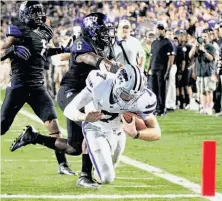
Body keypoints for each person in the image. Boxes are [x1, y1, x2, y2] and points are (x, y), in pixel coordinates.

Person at [11, 12, 120, 188]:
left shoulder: (107, 46)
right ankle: (85, 176)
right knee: (90, 127)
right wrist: (103, 63)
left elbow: (112, 66)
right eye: (103, 30)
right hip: (70, 92)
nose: (107, 34)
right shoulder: (82, 42)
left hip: (87, 95)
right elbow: (88, 58)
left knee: (74, 148)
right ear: (92, 30)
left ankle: (33, 137)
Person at [10, 64, 161, 185]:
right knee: (107, 178)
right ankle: (86, 173)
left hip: (118, 131)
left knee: (105, 172)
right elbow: (69, 110)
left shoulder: (144, 98)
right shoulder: (100, 84)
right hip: (95, 127)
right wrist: (84, 117)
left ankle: (95, 165)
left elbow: (156, 132)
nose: (130, 100)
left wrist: (136, 134)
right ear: (117, 85)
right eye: (126, 95)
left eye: (134, 96)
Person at [0, 1, 75, 175]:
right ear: (24, 13)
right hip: (18, 85)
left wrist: (62, 49)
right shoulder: (16, 28)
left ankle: (62, 165)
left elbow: (41, 50)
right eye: (34, 12)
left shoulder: (45, 30)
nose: (38, 16)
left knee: (54, 126)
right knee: (2, 127)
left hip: (37, 86)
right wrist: (12, 50)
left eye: (39, 12)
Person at [148, 24, 174, 116]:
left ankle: (162, 109)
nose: (159, 31)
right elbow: (151, 57)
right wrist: (148, 69)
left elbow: (171, 58)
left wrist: (168, 71)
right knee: (154, 90)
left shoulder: (167, 42)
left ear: (164, 31)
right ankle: (156, 108)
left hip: (162, 70)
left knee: (161, 90)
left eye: (161, 29)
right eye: (158, 29)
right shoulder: (154, 42)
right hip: (154, 69)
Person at [189, 29, 216, 115]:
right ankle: (204, 107)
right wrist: (195, 45)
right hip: (199, 72)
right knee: (201, 91)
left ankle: (209, 108)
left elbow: (211, 58)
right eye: (202, 36)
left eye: (205, 36)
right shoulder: (198, 46)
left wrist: (204, 51)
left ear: (208, 37)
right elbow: (190, 55)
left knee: (208, 91)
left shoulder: (211, 47)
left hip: (208, 72)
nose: (203, 38)